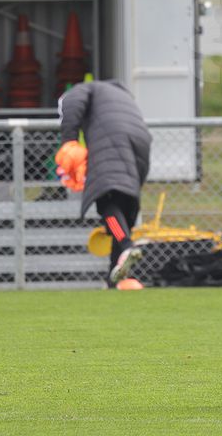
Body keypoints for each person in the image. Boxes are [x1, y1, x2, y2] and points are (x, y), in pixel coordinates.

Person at [56, 79, 152, 291]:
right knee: (124, 210)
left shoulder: (88, 88)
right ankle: (115, 279)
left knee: (106, 203)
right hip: (140, 142)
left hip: (112, 141)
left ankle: (126, 247)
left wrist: (69, 140)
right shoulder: (124, 98)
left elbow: (71, 101)